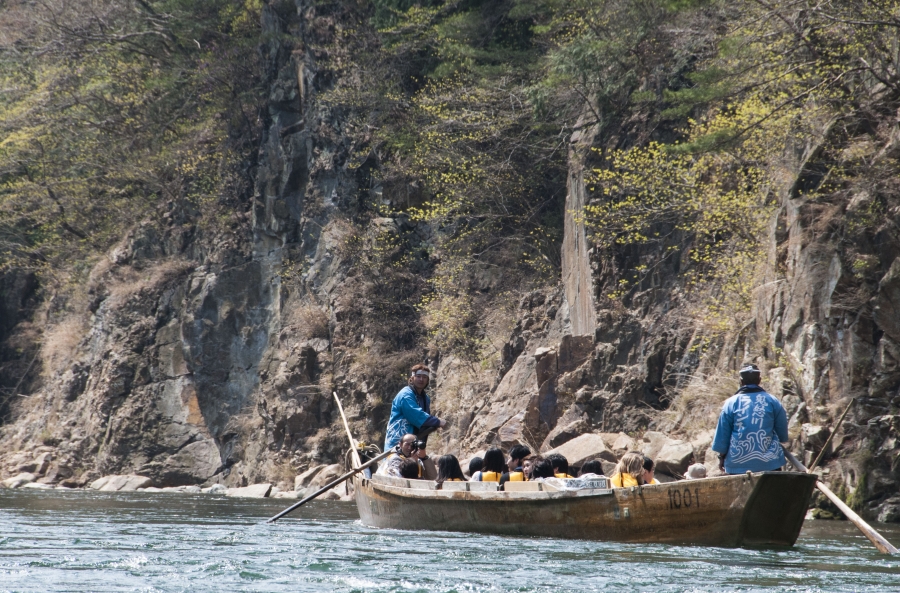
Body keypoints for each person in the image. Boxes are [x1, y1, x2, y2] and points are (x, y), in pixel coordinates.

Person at [711, 364, 789, 474]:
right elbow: (783, 436)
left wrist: (721, 457)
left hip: (736, 464)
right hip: (770, 464)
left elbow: (722, 439)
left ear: (741, 381)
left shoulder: (730, 403)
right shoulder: (772, 401)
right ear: (759, 380)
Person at [384, 364, 447, 451]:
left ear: (428, 380)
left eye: (424, 377)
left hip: (414, 442)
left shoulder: (426, 398)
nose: (421, 379)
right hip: (398, 442)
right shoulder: (405, 395)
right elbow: (416, 416)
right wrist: (437, 421)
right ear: (412, 378)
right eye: (418, 376)